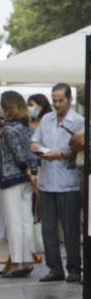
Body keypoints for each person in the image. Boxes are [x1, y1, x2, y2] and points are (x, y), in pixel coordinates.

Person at [30, 83, 84, 283]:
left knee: (70, 228)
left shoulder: (79, 121)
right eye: (54, 100)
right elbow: (35, 139)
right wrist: (36, 147)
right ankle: (54, 268)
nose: (57, 104)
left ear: (69, 99)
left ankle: (74, 269)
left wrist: (60, 154)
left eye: (61, 100)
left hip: (68, 182)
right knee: (48, 228)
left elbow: (81, 149)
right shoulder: (46, 119)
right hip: (47, 182)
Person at [0, 92, 38, 278]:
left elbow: (17, 154)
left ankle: (16, 261)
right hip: (27, 179)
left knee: (13, 221)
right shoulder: (28, 127)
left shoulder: (8, 128)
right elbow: (31, 152)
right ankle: (27, 260)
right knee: (26, 220)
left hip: (11, 177)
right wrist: (33, 173)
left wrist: (26, 170)